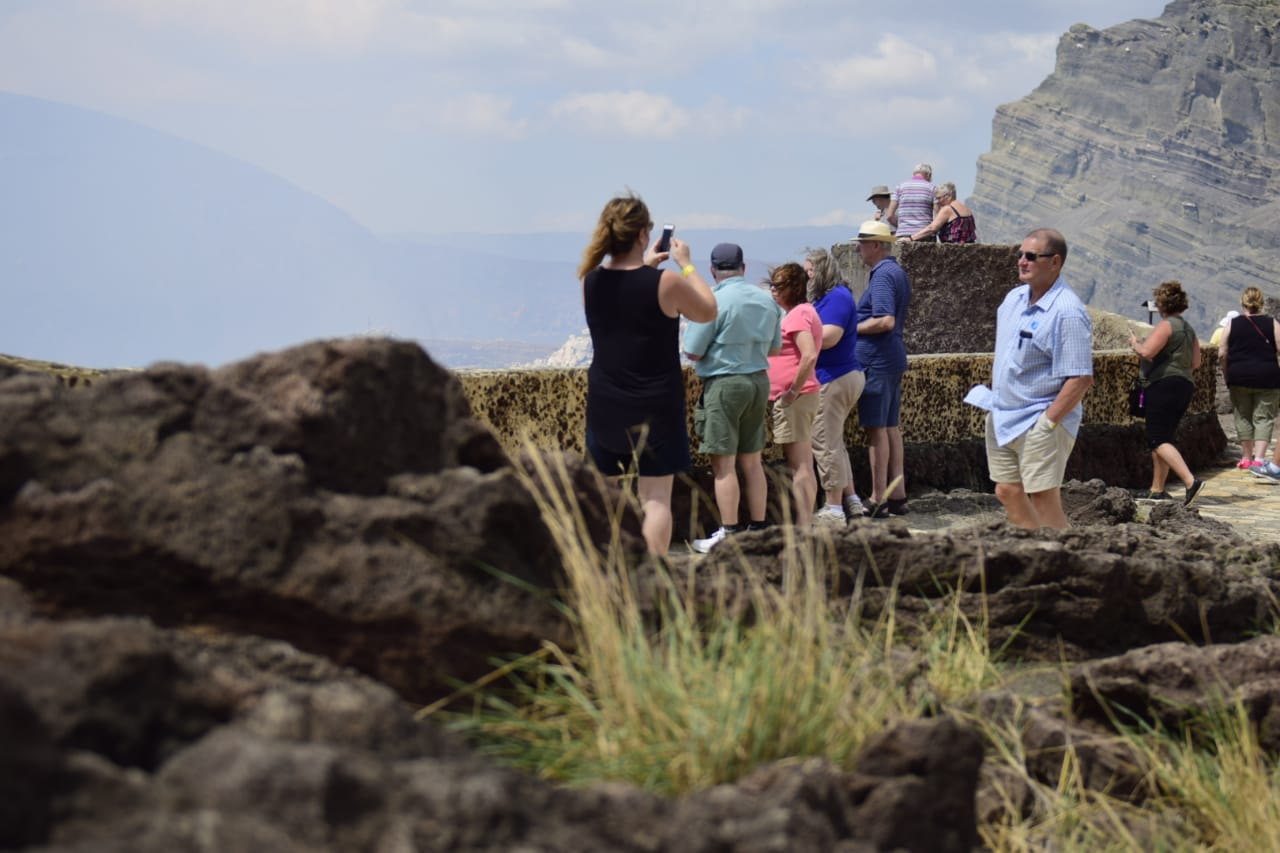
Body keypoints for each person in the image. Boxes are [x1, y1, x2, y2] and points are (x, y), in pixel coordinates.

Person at [579, 193, 717, 556]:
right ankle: (653, 577)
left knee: (605, 495)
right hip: (656, 403)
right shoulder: (666, 283)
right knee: (655, 498)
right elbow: (707, 310)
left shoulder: (589, 282)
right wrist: (685, 264)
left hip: (606, 401)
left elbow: (623, 307)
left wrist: (647, 267)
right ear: (643, 235)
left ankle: (604, 571)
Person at [985, 228, 1094, 529]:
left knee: (1043, 499)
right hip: (1003, 414)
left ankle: (1068, 561)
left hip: (1039, 419)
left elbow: (1080, 377)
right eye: (1020, 255)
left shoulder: (1067, 312)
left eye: (1031, 256)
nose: (1022, 261)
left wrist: (1048, 423)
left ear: (1055, 262)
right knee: (1007, 490)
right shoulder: (1013, 299)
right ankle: (1035, 552)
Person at [684, 243, 783, 552]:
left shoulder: (712, 300)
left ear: (713, 272)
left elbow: (693, 350)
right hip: (758, 381)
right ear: (743, 268)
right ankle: (758, 528)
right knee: (752, 461)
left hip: (725, 383)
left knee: (723, 464)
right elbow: (775, 348)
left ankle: (730, 532)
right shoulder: (765, 300)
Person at [851, 221, 911, 518]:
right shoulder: (896, 271)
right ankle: (897, 494)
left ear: (876, 245)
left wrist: (852, 329)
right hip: (891, 357)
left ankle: (878, 498)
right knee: (890, 427)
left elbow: (884, 320)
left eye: (862, 244)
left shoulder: (883, 276)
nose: (858, 249)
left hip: (876, 360)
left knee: (877, 430)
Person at [1128, 280, 1204, 505]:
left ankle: (1191, 482)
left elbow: (1147, 352)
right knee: (1162, 437)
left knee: (1157, 437)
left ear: (1162, 304)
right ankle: (1157, 489)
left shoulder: (1166, 326)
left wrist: (1135, 343)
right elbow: (1197, 362)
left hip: (1163, 385)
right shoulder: (1189, 329)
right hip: (1184, 385)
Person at [805, 248, 866, 523]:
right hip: (841, 375)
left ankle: (833, 508)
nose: (807, 277)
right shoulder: (833, 298)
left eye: (810, 272)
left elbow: (829, 337)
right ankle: (850, 499)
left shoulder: (836, 297)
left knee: (825, 443)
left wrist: (799, 336)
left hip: (834, 377)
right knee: (835, 441)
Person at [766, 263, 823, 527]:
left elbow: (809, 355)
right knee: (802, 463)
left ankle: (803, 523)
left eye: (777, 286)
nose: (773, 291)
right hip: (802, 396)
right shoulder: (805, 312)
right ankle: (804, 521)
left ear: (792, 288)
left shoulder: (799, 314)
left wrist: (792, 392)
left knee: (800, 464)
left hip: (798, 398)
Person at [1218, 286, 1280, 470]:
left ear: (1242, 302)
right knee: (1264, 418)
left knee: (1242, 416)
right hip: (1267, 377)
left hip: (1239, 376)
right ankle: (1259, 460)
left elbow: (1222, 352)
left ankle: (1246, 457)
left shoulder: (1232, 324)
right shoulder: (1272, 323)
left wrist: (1226, 373)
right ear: (1260, 302)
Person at [903, 182, 977, 244]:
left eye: (939, 198)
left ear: (948, 196)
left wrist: (911, 238)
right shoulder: (966, 209)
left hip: (954, 251)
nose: (937, 201)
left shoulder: (947, 209)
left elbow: (932, 228)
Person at [885, 163, 935, 238]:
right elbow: (936, 216)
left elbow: (889, 215)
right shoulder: (932, 188)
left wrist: (901, 226)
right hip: (924, 234)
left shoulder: (900, 187)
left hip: (903, 234)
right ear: (928, 175)